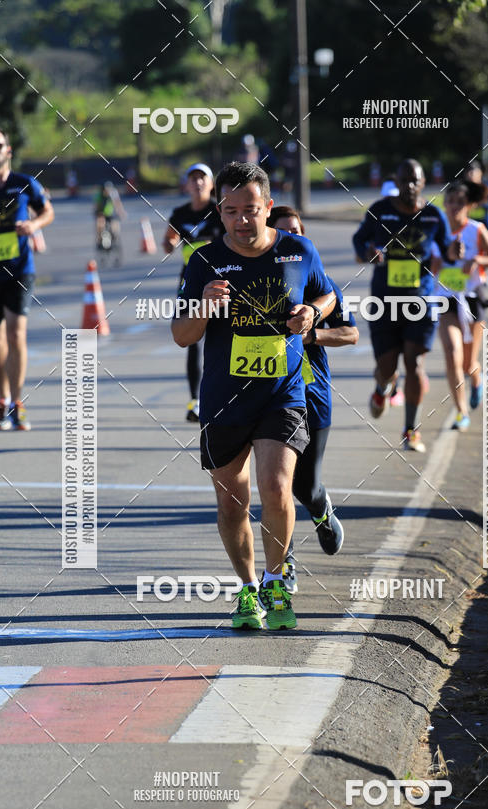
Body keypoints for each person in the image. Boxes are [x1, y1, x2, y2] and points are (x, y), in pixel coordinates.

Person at [171, 162, 335, 630]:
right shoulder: (202, 260)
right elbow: (182, 336)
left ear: (267, 207)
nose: (242, 220)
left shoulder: (298, 251)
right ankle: (246, 589)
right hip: (224, 400)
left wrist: (311, 311)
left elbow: (329, 297)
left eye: (251, 209)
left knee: (277, 487)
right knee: (231, 503)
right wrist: (203, 305)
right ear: (219, 212)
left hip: (281, 395)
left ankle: (275, 579)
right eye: (231, 211)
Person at [267, 205, 359, 591]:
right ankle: (282, 564)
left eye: (298, 233)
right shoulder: (261, 284)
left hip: (313, 393)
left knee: (305, 486)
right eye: (284, 233)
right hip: (271, 397)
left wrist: (311, 336)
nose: (293, 239)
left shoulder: (321, 286)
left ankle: (321, 510)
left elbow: (351, 334)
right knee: (277, 486)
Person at [352, 158, 463, 453]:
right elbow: (359, 242)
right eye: (404, 181)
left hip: (421, 302)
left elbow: (449, 251)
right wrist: (368, 253)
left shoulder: (432, 216)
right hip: (385, 303)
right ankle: (383, 387)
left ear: (423, 183)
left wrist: (453, 252)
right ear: (396, 183)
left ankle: (411, 430)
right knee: (387, 367)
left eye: (415, 180)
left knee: (415, 363)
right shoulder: (380, 212)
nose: (409, 186)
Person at [0, 127, 54, 431]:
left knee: (16, 335)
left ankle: (18, 403)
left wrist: (33, 225)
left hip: (19, 269)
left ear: (8, 150)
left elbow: (48, 211)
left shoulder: (24, 184)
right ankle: (1, 402)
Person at [431, 180, 488, 430]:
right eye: (450, 202)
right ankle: (461, 412)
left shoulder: (476, 230)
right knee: (453, 355)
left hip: (472, 298)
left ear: (469, 206)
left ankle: (476, 379)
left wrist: (476, 258)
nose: (454, 208)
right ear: (444, 204)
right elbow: (424, 264)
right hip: (446, 300)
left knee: (468, 362)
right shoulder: (435, 232)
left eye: (460, 203)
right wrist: (436, 264)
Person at [163, 163, 225, 422]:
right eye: (193, 179)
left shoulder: (219, 210)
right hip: (190, 279)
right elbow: (168, 242)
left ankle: (224, 395)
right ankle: (195, 401)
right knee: (190, 339)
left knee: (222, 335)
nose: (198, 183)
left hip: (219, 277)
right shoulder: (179, 213)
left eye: (203, 179)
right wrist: (170, 242)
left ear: (211, 184)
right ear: (186, 185)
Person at [464, 160, 488, 233]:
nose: (470, 175)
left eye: (473, 172)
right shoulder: (463, 188)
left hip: (484, 224)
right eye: (469, 172)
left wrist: (480, 204)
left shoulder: (487, 187)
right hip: (469, 224)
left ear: (480, 173)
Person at [93, 181, 125, 246]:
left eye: (108, 190)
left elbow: (118, 203)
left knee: (115, 225)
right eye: (105, 190)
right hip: (101, 213)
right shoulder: (99, 195)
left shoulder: (113, 194)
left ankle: (114, 237)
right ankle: (100, 239)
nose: (107, 192)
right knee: (100, 223)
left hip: (111, 213)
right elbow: (96, 206)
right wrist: (97, 213)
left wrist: (121, 212)